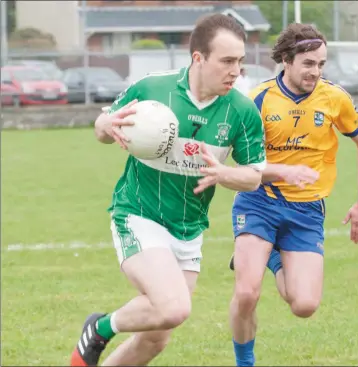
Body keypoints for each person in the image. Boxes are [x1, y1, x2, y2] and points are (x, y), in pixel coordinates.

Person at [69, 14, 267, 367]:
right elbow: (104, 127)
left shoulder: (241, 111)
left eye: (240, 61)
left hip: (189, 229)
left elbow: (253, 176)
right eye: (226, 61)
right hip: (139, 214)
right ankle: (100, 328)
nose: (236, 71)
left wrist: (223, 173)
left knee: (155, 339)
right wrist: (104, 123)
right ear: (198, 58)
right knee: (173, 307)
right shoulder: (152, 90)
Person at [228, 23, 358, 366]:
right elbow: (240, 162)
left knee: (304, 305)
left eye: (321, 64)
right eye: (308, 63)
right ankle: (244, 362)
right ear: (286, 60)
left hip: (308, 209)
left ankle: (272, 257)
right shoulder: (259, 100)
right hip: (259, 202)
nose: (316, 71)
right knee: (247, 292)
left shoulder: (334, 98)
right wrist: (279, 172)